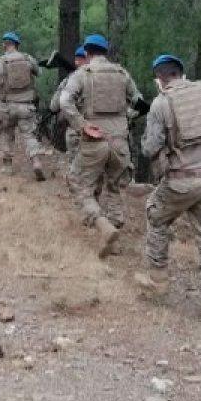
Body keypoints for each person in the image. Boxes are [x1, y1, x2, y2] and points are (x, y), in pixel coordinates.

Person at [140, 53, 201, 327]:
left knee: (156, 216)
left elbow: (150, 149)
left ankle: (157, 280)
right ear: (181, 73)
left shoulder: (161, 103)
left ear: (160, 78)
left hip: (181, 182)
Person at [58, 34, 141, 256]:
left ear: (86, 52)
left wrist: (81, 124)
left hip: (95, 139)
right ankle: (114, 233)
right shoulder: (122, 74)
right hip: (120, 142)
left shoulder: (82, 74)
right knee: (114, 187)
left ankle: (102, 225)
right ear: (106, 52)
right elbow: (139, 103)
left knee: (77, 182)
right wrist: (124, 121)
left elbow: (64, 102)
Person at [0, 32, 45, 179]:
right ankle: (36, 161)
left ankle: (7, 166)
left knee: (6, 135)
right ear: (17, 45)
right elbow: (39, 73)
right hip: (26, 106)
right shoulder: (28, 59)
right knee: (29, 135)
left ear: (5, 44)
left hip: (6, 107)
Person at [49, 46, 88, 184]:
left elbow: (54, 106)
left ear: (77, 60)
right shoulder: (104, 79)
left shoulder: (69, 80)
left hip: (75, 131)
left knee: (75, 170)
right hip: (100, 131)